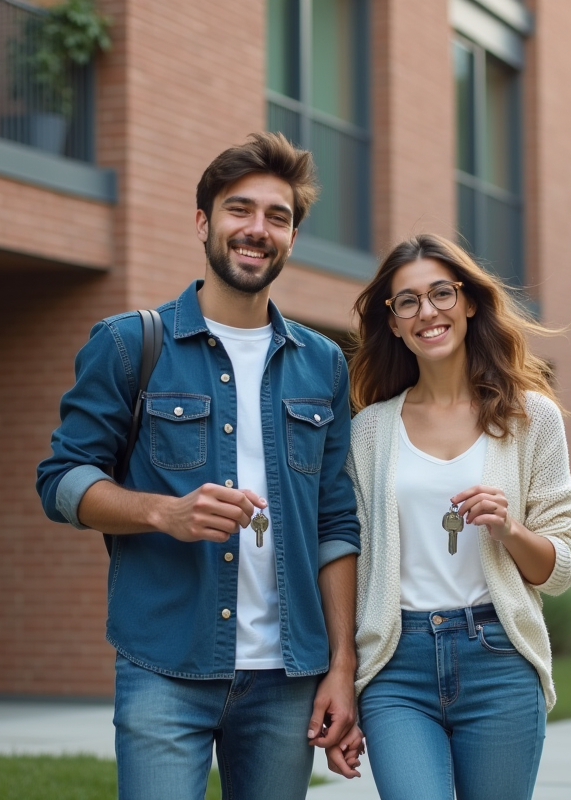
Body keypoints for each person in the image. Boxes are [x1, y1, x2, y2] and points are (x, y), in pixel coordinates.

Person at [36, 132, 360, 800]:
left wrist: (341, 666)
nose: (257, 229)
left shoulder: (324, 363)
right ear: (204, 222)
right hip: (164, 663)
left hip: (288, 676)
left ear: (292, 237)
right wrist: (162, 511)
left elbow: (336, 523)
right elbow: (61, 481)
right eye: (240, 210)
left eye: (278, 216)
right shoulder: (131, 344)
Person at [327, 233, 571, 798]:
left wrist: (509, 528)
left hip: (497, 658)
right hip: (398, 665)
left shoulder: (530, 418)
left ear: (469, 302)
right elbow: (351, 556)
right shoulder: (368, 432)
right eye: (408, 302)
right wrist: (343, 675)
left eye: (441, 293)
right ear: (393, 323)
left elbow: (561, 567)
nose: (428, 312)